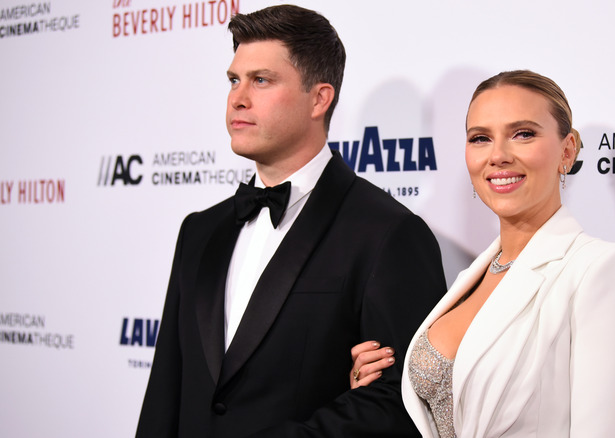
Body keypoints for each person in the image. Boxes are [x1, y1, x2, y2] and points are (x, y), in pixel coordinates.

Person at [136, 5, 447, 437]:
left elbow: (402, 403)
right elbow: (165, 391)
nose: (238, 98)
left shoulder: (388, 234)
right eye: (234, 80)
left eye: (261, 80)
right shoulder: (199, 231)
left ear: (319, 98)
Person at [351, 70, 615, 437]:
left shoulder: (601, 268)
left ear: (567, 150)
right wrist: (375, 387)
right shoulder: (470, 278)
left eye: (523, 134)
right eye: (480, 138)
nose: (498, 156)